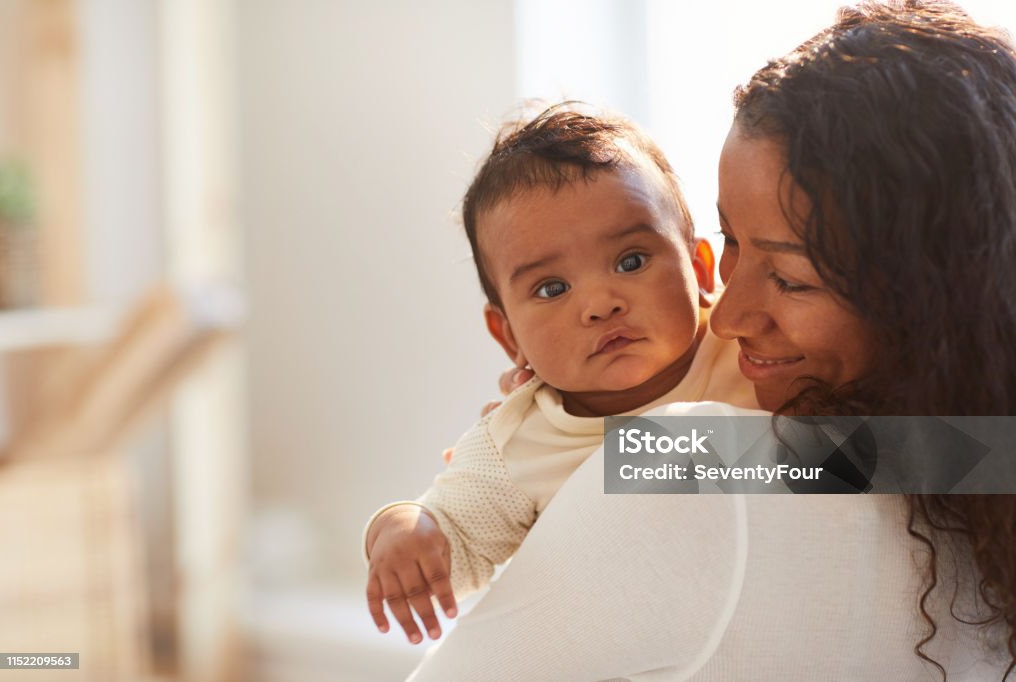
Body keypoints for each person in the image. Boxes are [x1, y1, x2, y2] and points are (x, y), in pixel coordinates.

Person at [406, 2, 1016, 679]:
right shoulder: (979, 479)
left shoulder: (676, 462)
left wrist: (611, 454)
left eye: (789, 277)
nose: (723, 315)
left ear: (933, 298)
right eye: (732, 242)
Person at [363, 104, 758, 645]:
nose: (599, 304)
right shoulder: (518, 439)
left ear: (700, 270)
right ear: (509, 337)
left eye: (631, 261)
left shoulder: (751, 348)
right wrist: (401, 528)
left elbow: (871, 457)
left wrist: (651, 457)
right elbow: (456, 543)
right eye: (551, 288)